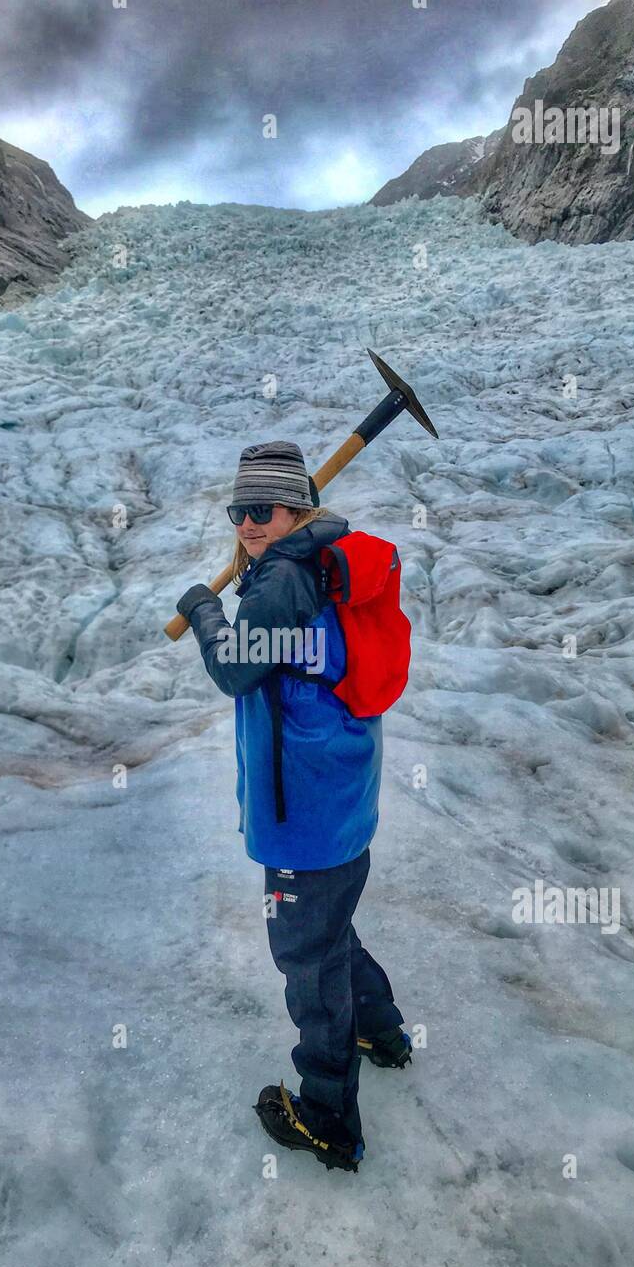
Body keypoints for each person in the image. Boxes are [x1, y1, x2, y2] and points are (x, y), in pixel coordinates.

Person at [177, 440, 411, 1174]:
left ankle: (326, 1117)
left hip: (301, 808)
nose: (247, 523)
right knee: (328, 922)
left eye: (262, 510)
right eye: (237, 510)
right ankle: (381, 1032)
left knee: (306, 958)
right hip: (340, 793)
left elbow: (236, 668)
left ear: (296, 510)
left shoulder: (284, 581)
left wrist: (205, 610)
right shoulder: (328, 559)